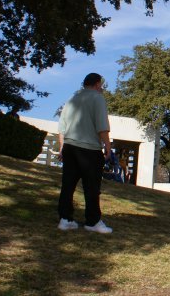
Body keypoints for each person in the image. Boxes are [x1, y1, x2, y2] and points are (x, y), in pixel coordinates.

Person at [57, 73, 112, 234]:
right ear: (96, 84)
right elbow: (102, 126)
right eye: (100, 85)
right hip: (89, 149)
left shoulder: (72, 99)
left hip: (70, 147)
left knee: (68, 185)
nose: (101, 88)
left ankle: (65, 219)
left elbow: (62, 126)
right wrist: (108, 146)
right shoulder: (97, 98)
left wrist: (62, 147)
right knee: (92, 187)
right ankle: (93, 221)